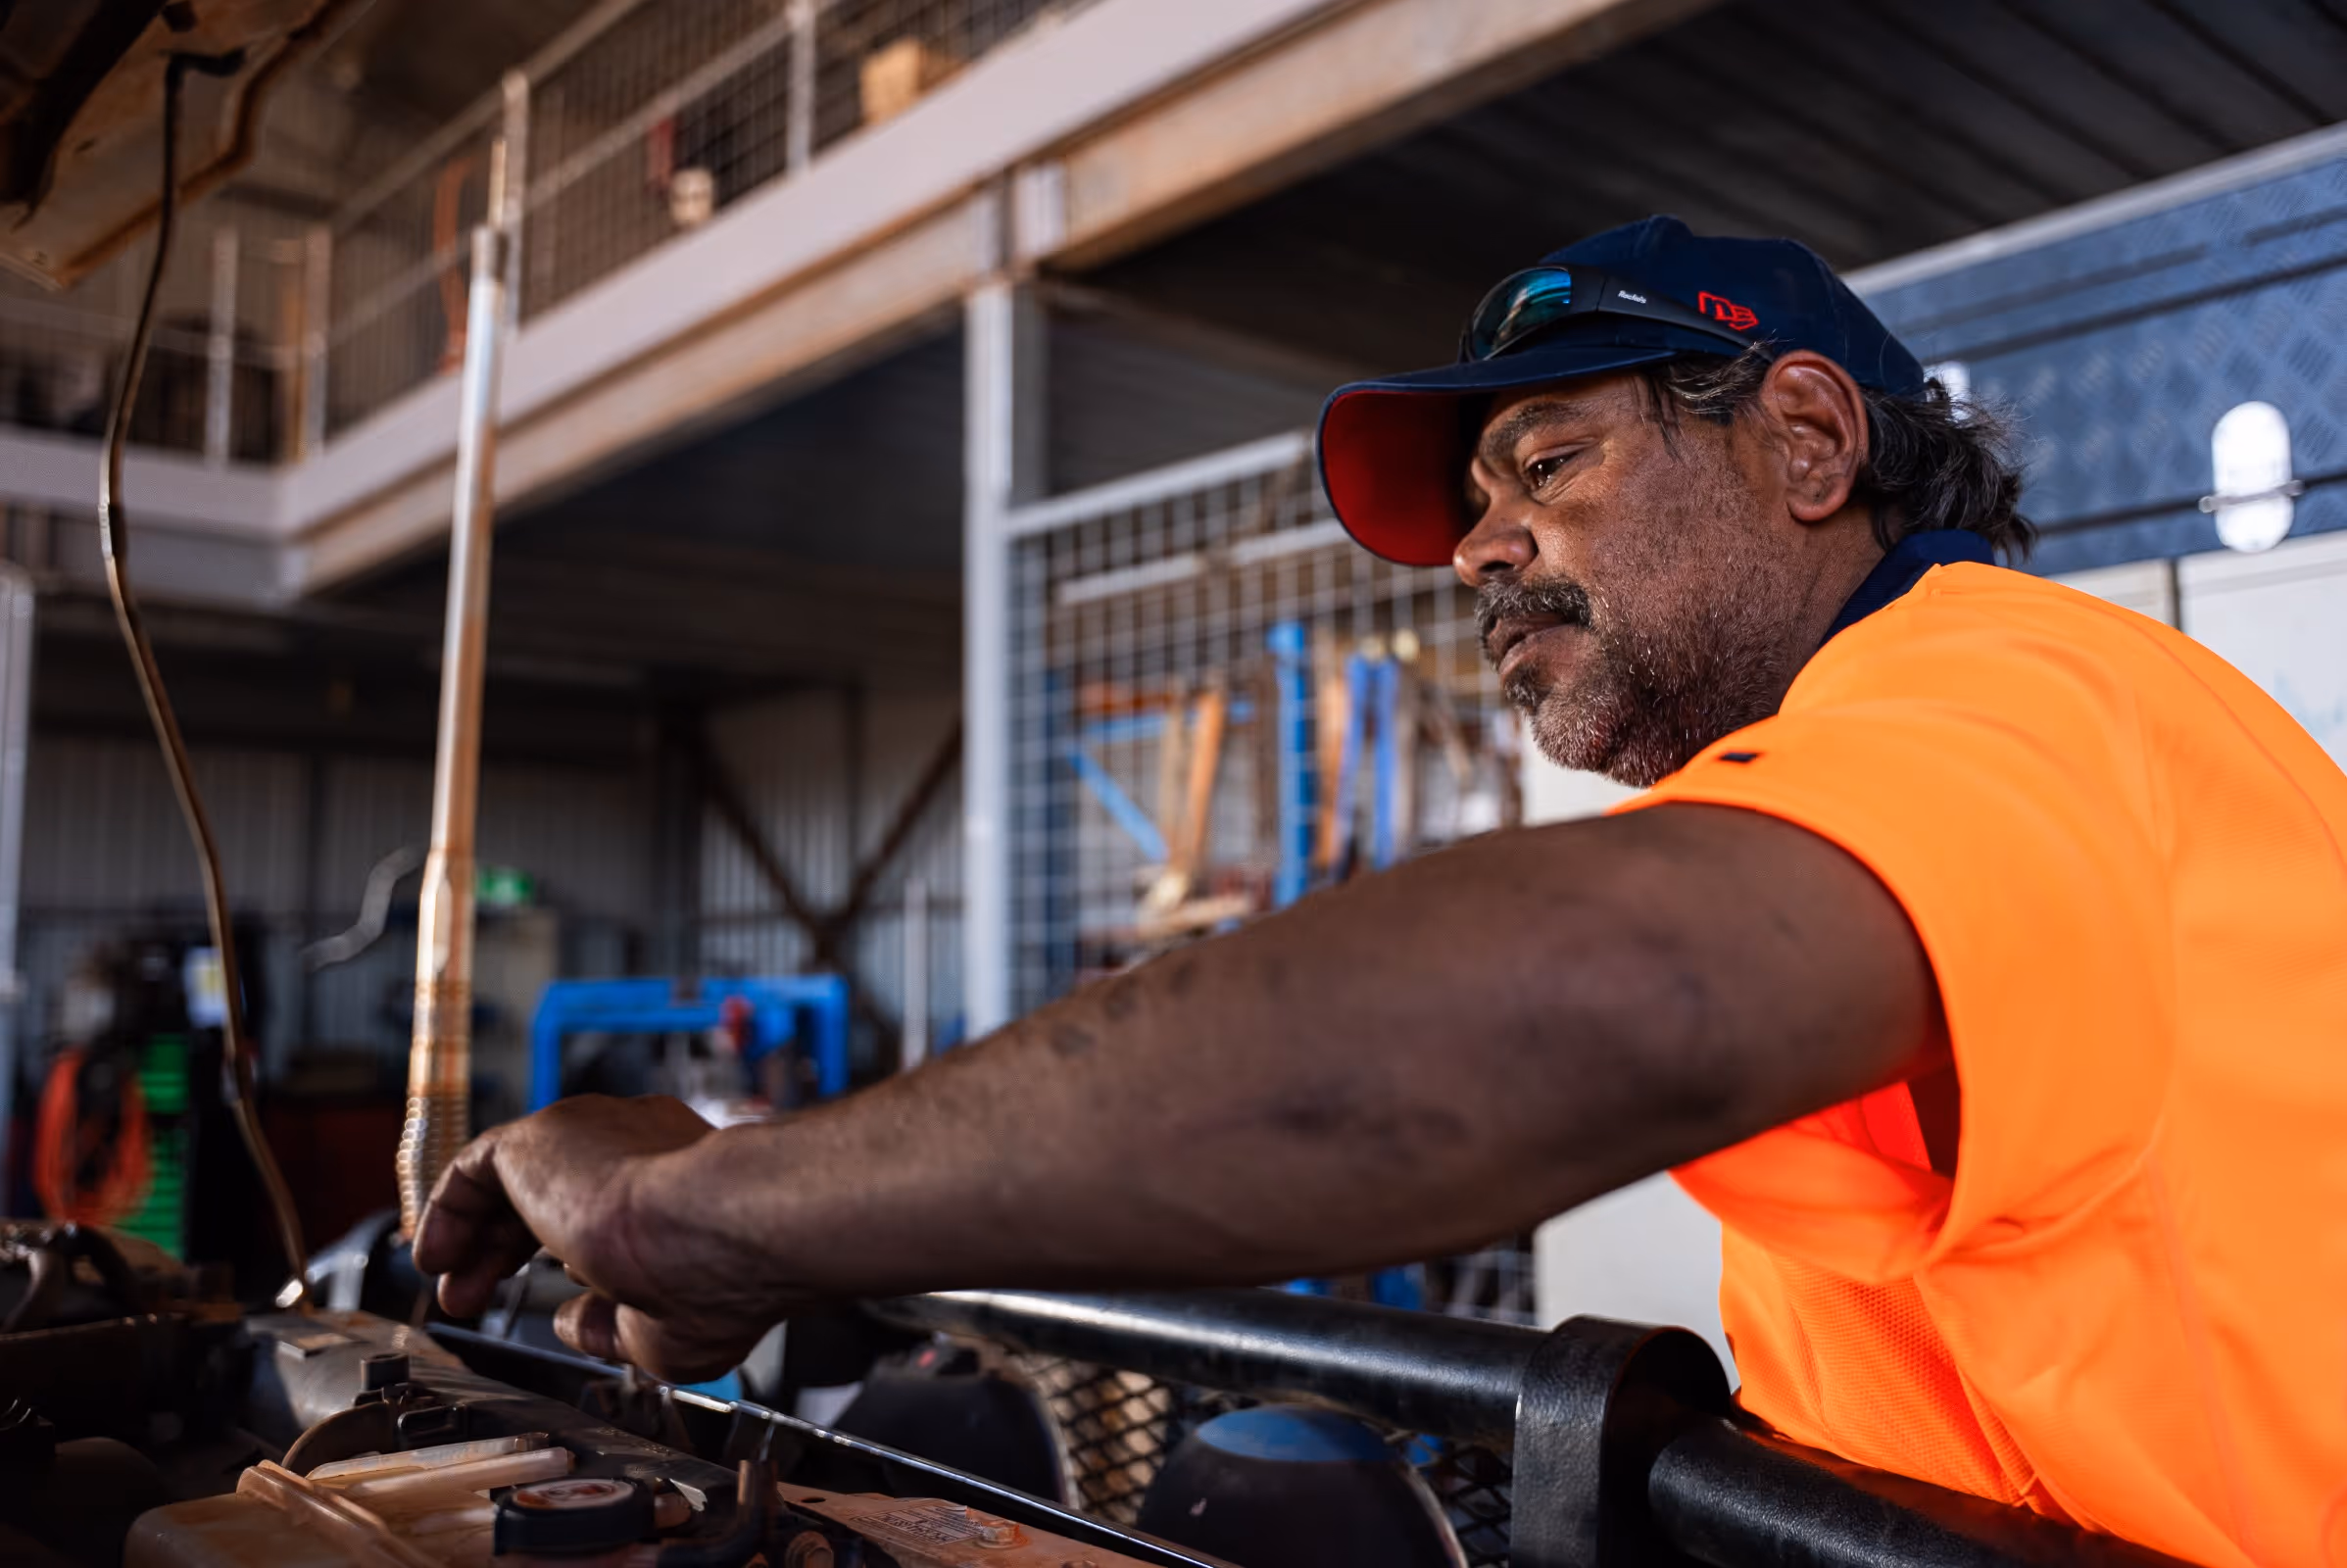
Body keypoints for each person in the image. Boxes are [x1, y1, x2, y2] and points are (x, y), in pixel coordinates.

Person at [416, 217, 2347, 1567]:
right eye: (1473, 508)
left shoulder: (2013, 697)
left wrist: (706, 1206)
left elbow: (1585, 1006)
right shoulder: (1906, 743)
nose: (1478, 551)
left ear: (1808, 440)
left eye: (1547, 460)